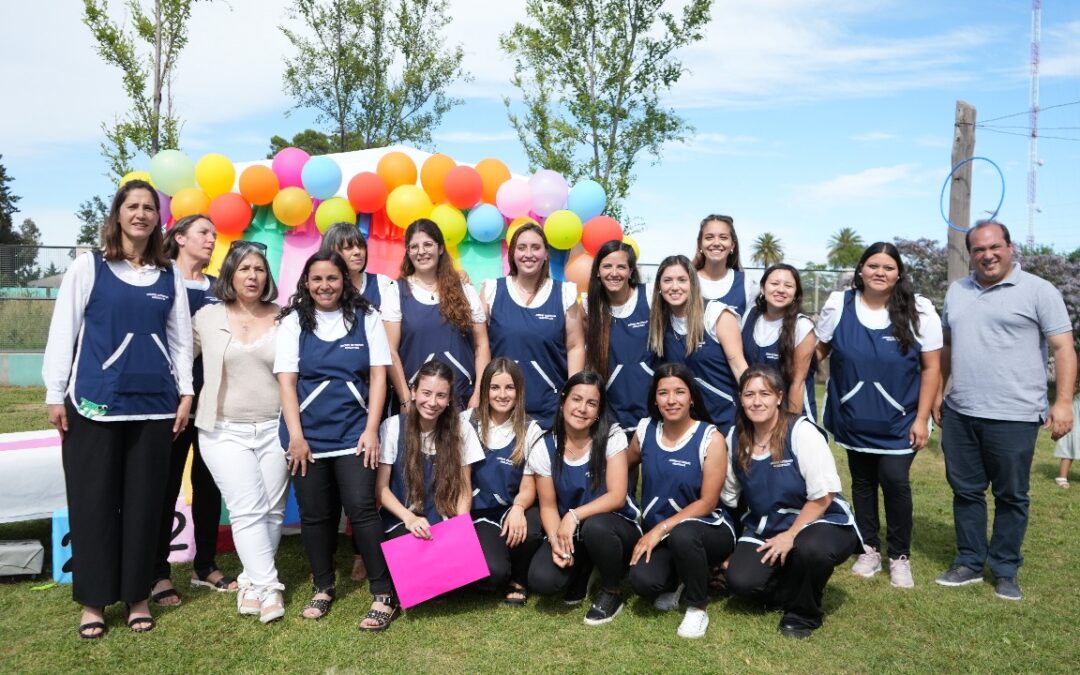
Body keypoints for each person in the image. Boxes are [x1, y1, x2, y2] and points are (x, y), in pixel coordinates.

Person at [42, 179, 194, 638]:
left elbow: (181, 340)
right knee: (93, 506)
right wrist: (55, 392)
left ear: (157, 219)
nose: (141, 214)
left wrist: (185, 392)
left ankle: (137, 596)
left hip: (153, 409)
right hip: (94, 406)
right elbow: (63, 329)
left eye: (149, 207)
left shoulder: (169, 277)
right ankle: (93, 601)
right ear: (118, 213)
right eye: (133, 206)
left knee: (145, 507)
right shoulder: (88, 266)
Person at [932, 220, 1076, 600]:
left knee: (1012, 495)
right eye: (978, 249)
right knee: (966, 491)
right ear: (971, 254)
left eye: (994, 247)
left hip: (1015, 414)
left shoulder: (1038, 291)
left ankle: (1006, 567)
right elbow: (946, 346)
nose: (987, 255)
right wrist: (937, 393)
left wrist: (1062, 402)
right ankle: (968, 561)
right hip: (961, 411)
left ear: (1010, 248)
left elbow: (1063, 348)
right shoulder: (957, 291)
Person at [275, 251, 395, 628]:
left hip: (354, 433)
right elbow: (287, 382)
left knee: (361, 508)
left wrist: (372, 429)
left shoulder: (368, 318)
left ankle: (383, 592)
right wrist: (296, 436)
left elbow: (378, 377)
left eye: (332, 278)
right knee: (315, 514)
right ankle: (323, 586)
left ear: (345, 280)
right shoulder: (293, 322)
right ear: (306, 283)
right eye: (316, 279)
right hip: (306, 437)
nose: (324, 286)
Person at [816, 243, 941, 588]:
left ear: (898, 272)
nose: (880, 272)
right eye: (873, 265)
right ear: (860, 270)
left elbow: (931, 368)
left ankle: (900, 556)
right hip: (853, 416)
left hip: (900, 420)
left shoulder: (919, 310)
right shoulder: (839, 305)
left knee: (895, 481)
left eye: (887, 267)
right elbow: (815, 351)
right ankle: (869, 548)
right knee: (862, 482)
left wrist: (921, 418)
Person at [722, 365, 860, 639]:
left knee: (810, 549)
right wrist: (728, 551)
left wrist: (791, 535)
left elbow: (824, 496)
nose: (757, 401)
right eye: (749, 394)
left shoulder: (801, 432)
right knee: (740, 583)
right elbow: (729, 497)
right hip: (766, 527)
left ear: (779, 397)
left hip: (823, 520)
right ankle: (795, 585)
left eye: (765, 393)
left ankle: (803, 614)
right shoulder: (735, 438)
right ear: (740, 399)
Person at [193, 241, 288, 624]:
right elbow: (178, 357)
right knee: (247, 510)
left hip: (274, 428)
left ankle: (249, 582)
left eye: (260, 269)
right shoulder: (206, 316)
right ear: (230, 273)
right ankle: (270, 589)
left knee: (274, 513)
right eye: (245, 268)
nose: (252, 275)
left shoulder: (287, 317)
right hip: (222, 430)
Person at [150, 215, 235, 608]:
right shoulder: (158, 280)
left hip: (213, 405)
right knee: (163, 485)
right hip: (167, 404)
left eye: (214, 234)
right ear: (179, 238)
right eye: (204, 233)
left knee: (208, 483)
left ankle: (205, 565)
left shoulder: (219, 288)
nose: (212, 239)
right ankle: (157, 573)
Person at [319, 221, 403, 581]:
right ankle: (326, 557)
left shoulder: (384, 286)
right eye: (346, 247)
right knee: (332, 481)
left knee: (371, 477)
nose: (355, 253)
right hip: (333, 400)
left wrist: (404, 398)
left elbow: (389, 352)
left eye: (359, 246)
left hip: (376, 396)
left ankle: (364, 552)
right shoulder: (319, 289)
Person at [627, 363, 735, 639]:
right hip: (661, 534)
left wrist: (661, 529)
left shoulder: (710, 438)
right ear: (655, 398)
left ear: (692, 397)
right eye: (663, 392)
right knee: (643, 582)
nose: (671, 400)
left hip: (708, 528)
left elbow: (708, 502)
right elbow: (620, 466)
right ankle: (681, 579)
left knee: (684, 535)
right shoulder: (645, 430)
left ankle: (698, 607)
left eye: (679, 392)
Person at [527, 371, 641, 626]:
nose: (582, 409)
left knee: (596, 527)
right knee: (543, 581)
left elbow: (617, 496)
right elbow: (546, 506)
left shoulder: (612, 437)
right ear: (563, 401)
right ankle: (585, 565)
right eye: (576, 399)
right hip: (573, 532)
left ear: (599, 410)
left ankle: (612, 590)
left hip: (615, 526)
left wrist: (574, 515)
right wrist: (557, 542)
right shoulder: (544, 447)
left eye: (591, 403)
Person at [376, 361, 485, 613]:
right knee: (408, 568)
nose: (432, 402)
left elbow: (464, 487)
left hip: (442, 516)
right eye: (426, 393)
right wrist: (409, 519)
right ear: (413, 392)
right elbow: (380, 489)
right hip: (404, 518)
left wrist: (457, 528)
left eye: (441, 395)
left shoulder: (461, 428)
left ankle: (439, 579)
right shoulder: (392, 426)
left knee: (491, 574)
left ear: (449, 399)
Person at [481, 223, 585, 430]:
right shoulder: (492, 290)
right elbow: (480, 345)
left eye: (536, 247)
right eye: (522, 247)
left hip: (549, 409)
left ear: (546, 254)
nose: (528, 254)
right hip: (502, 409)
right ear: (512, 254)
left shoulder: (564, 294)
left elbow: (575, 346)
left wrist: (574, 396)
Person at [383, 219, 491, 410]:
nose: (421, 251)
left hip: (463, 402)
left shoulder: (464, 288)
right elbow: (391, 352)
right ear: (407, 252)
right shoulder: (395, 291)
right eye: (414, 247)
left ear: (440, 248)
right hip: (418, 406)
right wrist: (406, 399)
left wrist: (479, 394)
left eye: (427, 244)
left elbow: (481, 344)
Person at [462, 358, 546, 604]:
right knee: (493, 572)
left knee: (531, 528)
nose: (502, 394)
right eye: (495, 387)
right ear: (485, 389)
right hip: (478, 514)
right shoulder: (466, 421)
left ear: (519, 391)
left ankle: (518, 578)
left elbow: (529, 486)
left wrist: (519, 508)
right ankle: (497, 567)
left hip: (509, 510)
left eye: (509, 388)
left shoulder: (530, 429)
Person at [647, 255, 747, 435]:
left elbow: (740, 368)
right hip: (690, 426)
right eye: (667, 280)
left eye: (682, 280)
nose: (675, 287)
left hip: (727, 420)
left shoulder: (717, 314)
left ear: (693, 284)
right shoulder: (661, 322)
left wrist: (754, 411)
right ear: (659, 287)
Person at [584, 240, 652, 435]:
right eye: (607, 266)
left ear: (631, 271)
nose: (614, 273)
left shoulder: (649, 296)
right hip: (611, 415)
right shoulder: (589, 307)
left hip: (651, 412)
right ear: (597, 271)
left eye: (621, 266)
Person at [742, 264, 818, 420]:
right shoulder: (749, 316)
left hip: (791, 412)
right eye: (775, 284)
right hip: (758, 412)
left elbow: (798, 383)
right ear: (763, 289)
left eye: (788, 286)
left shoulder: (802, 326)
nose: (781, 290)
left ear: (795, 294)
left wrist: (790, 426)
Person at [691, 214, 757, 313]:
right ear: (700, 244)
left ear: (732, 245)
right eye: (709, 237)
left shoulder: (746, 283)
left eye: (723, 237)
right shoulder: (687, 280)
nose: (716, 243)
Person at [1053, 372, 1080, 489]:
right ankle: (1062, 477)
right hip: (1075, 416)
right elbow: (1067, 392)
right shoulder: (1073, 376)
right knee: (1070, 443)